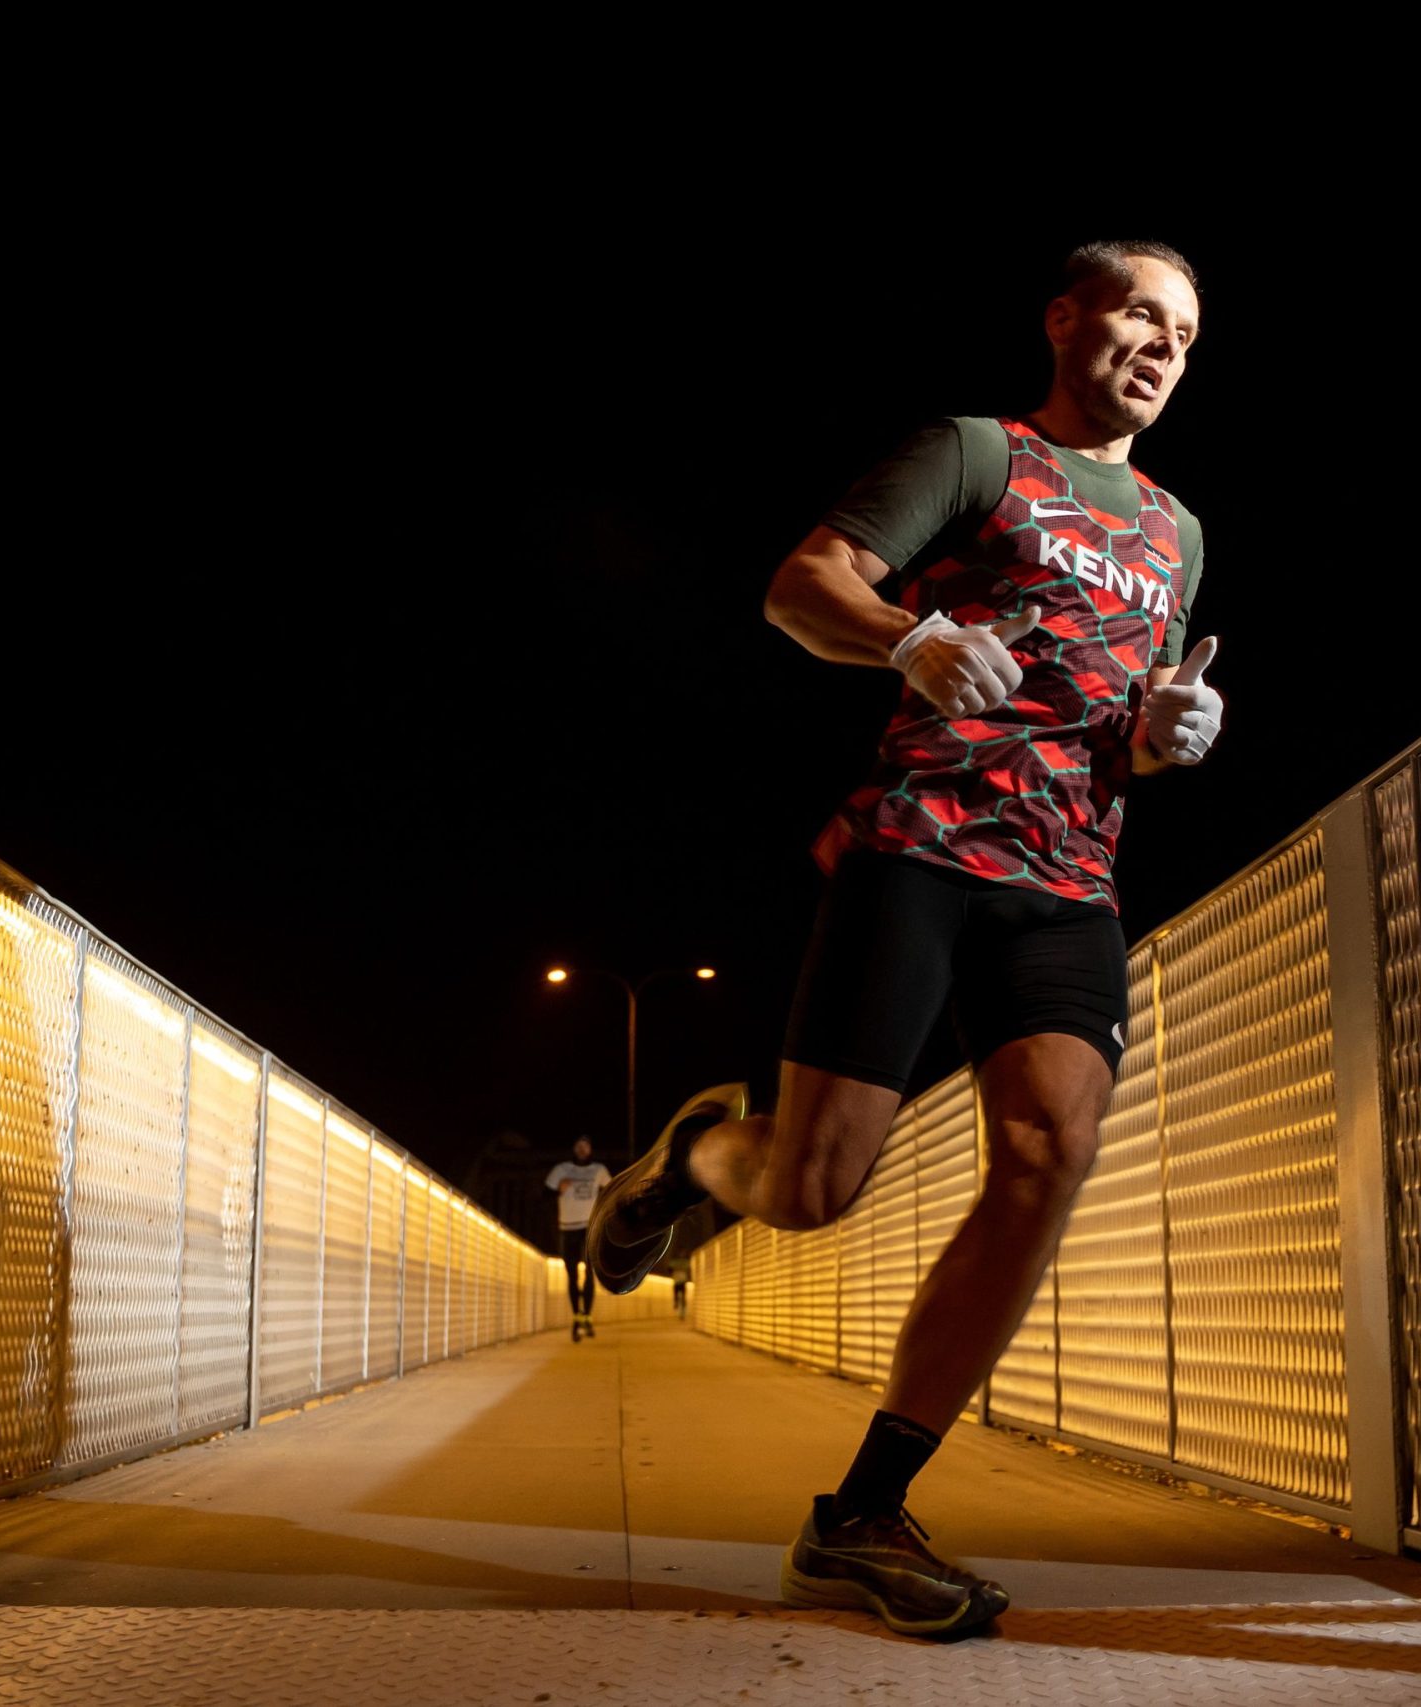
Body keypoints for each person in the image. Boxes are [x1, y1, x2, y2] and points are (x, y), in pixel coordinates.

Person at [588, 239, 1222, 1640]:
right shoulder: (978, 454)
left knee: (1050, 1153)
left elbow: (1130, 718)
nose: (1161, 346)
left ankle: (862, 1512)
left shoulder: (1177, 532)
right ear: (1064, 318)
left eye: (1184, 333)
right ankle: (694, 1157)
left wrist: (1171, 734)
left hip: (1069, 879)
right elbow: (801, 585)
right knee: (811, 1188)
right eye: (1138, 314)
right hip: (922, 847)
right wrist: (905, 637)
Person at [545, 1138, 612, 1340]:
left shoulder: (599, 1170)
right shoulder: (561, 1169)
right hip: (568, 1227)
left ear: (590, 1149)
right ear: (574, 1148)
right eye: (579, 1146)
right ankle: (576, 1316)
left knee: (590, 1273)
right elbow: (543, 1195)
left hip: (590, 1227)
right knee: (572, 1275)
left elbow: (612, 1191)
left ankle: (587, 1317)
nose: (582, 1149)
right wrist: (558, 1189)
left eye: (586, 1146)